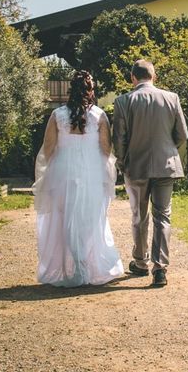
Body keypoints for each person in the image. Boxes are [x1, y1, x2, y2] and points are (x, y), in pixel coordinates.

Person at [34, 70, 124, 287]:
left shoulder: (58, 115)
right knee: (90, 219)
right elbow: (105, 148)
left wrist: (55, 166)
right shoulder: (99, 116)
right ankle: (85, 266)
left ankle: (73, 267)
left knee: (64, 219)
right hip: (91, 171)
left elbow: (47, 148)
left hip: (62, 171)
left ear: (71, 90)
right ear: (90, 91)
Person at [112, 60, 188, 287]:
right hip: (166, 165)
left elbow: (119, 138)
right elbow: (182, 134)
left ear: (133, 78)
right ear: (154, 76)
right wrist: (168, 149)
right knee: (163, 216)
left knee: (139, 215)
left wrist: (122, 160)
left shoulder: (123, 101)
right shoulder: (171, 98)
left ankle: (141, 262)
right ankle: (160, 268)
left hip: (136, 165)